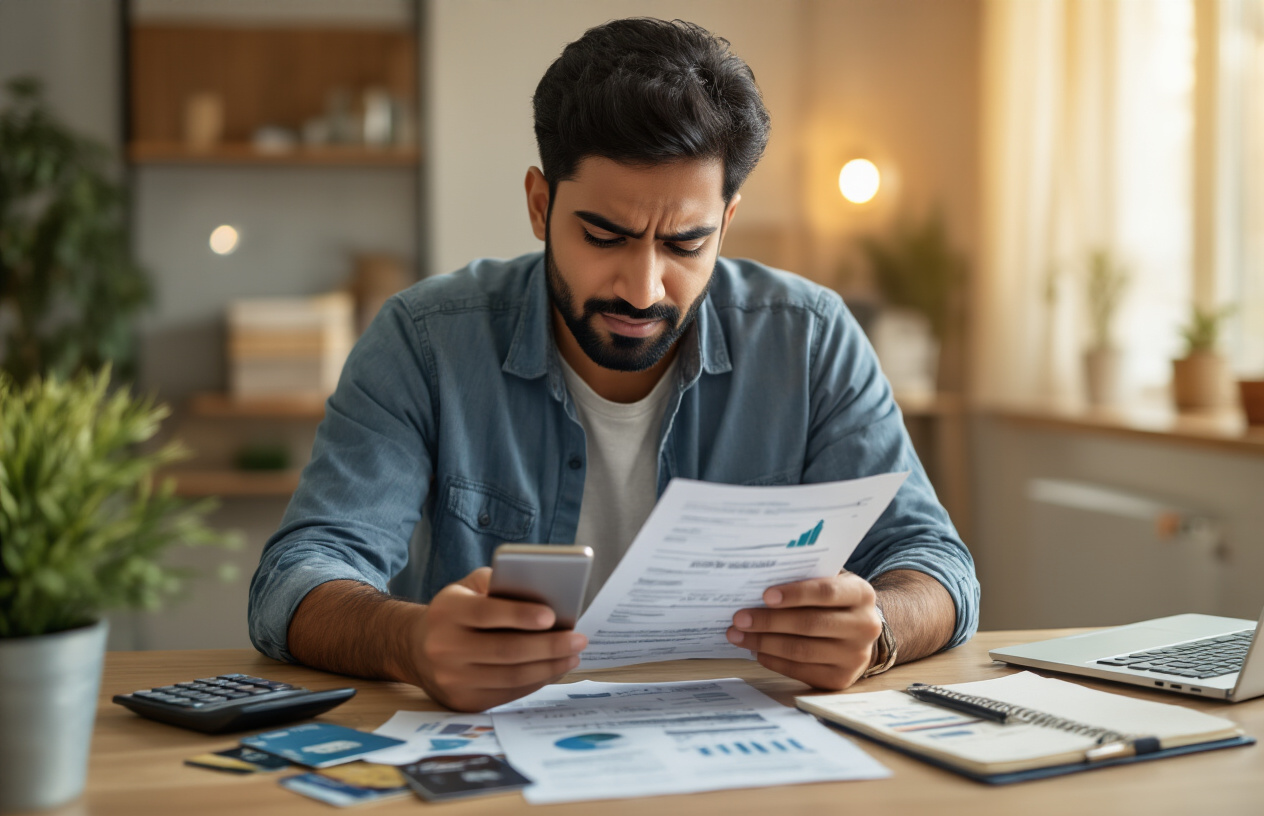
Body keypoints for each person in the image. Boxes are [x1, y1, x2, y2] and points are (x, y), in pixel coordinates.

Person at [248, 17, 979, 713]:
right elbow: (299, 575)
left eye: (686, 244)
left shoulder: (810, 339)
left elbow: (936, 565)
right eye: (604, 235)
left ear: (725, 223)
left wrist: (876, 629)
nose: (643, 287)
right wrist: (407, 642)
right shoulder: (425, 340)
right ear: (540, 205)